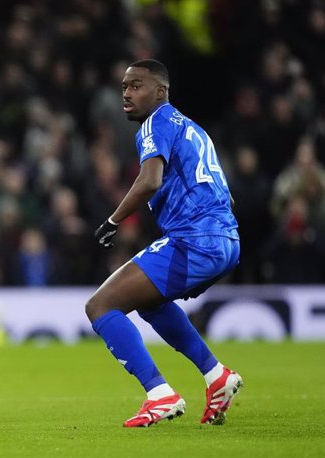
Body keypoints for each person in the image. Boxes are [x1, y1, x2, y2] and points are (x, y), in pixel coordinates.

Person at [87, 59, 243, 428]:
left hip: (195, 239)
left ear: (161, 92)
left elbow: (150, 180)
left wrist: (113, 220)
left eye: (137, 85)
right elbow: (225, 194)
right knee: (150, 303)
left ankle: (160, 395)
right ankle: (216, 375)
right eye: (124, 86)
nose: (127, 93)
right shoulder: (194, 130)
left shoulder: (155, 123)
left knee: (100, 306)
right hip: (226, 239)